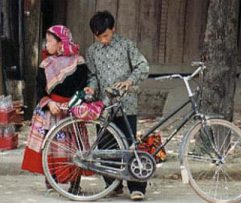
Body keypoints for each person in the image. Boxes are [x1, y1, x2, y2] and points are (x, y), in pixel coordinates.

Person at [84, 11, 149, 201]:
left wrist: (129, 82)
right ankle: (113, 183)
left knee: (130, 145)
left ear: (113, 29)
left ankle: (137, 187)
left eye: (105, 35)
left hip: (126, 104)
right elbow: (93, 76)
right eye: (98, 37)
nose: (102, 40)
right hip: (104, 105)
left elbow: (142, 66)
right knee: (106, 145)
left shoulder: (126, 45)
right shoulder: (92, 52)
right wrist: (90, 89)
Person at [21, 25, 88, 193]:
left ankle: (75, 184)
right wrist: (49, 103)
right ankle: (52, 182)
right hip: (51, 111)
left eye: (50, 41)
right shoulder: (45, 64)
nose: (46, 44)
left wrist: (72, 104)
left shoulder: (79, 63)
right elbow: (39, 89)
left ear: (61, 43)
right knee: (50, 147)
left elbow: (82, 87)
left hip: (71, 110)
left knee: (75, 148)